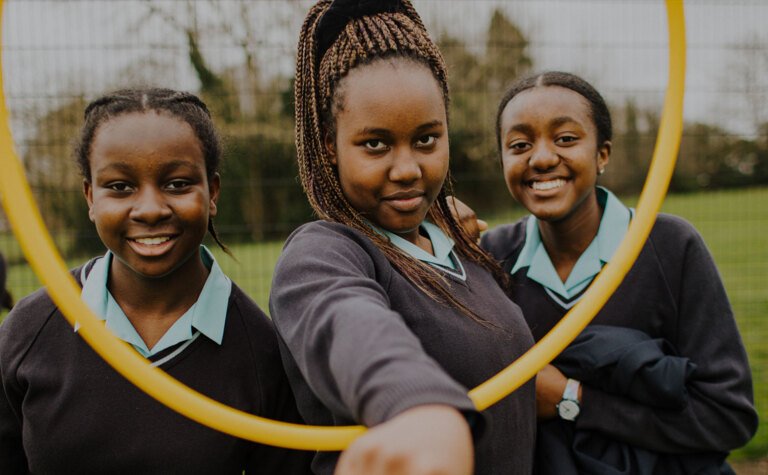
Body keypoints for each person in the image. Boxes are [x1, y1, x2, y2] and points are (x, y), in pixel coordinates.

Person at [269, 1, 537, 474]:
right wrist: (414, 406)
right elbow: (348, 324)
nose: (408, 169)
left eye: (427, 139)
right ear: (330, 145)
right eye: (375, 144)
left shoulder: (462, 247)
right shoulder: (323, 253)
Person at [0, 88, 312, 474]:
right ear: (89, 197)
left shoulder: (262, 353)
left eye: (177, 184)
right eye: (120, 187)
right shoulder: (29, 330)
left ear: (212, 192)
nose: (149, 209)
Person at [467, 71, 757, 473]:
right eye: (519, 145)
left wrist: (572, 399)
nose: (542, 157)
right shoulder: (489, 257)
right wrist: (439, 252)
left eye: (566, 139)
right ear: (503, 160)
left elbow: (728, 419)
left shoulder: (670, 246)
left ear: (602, 154)